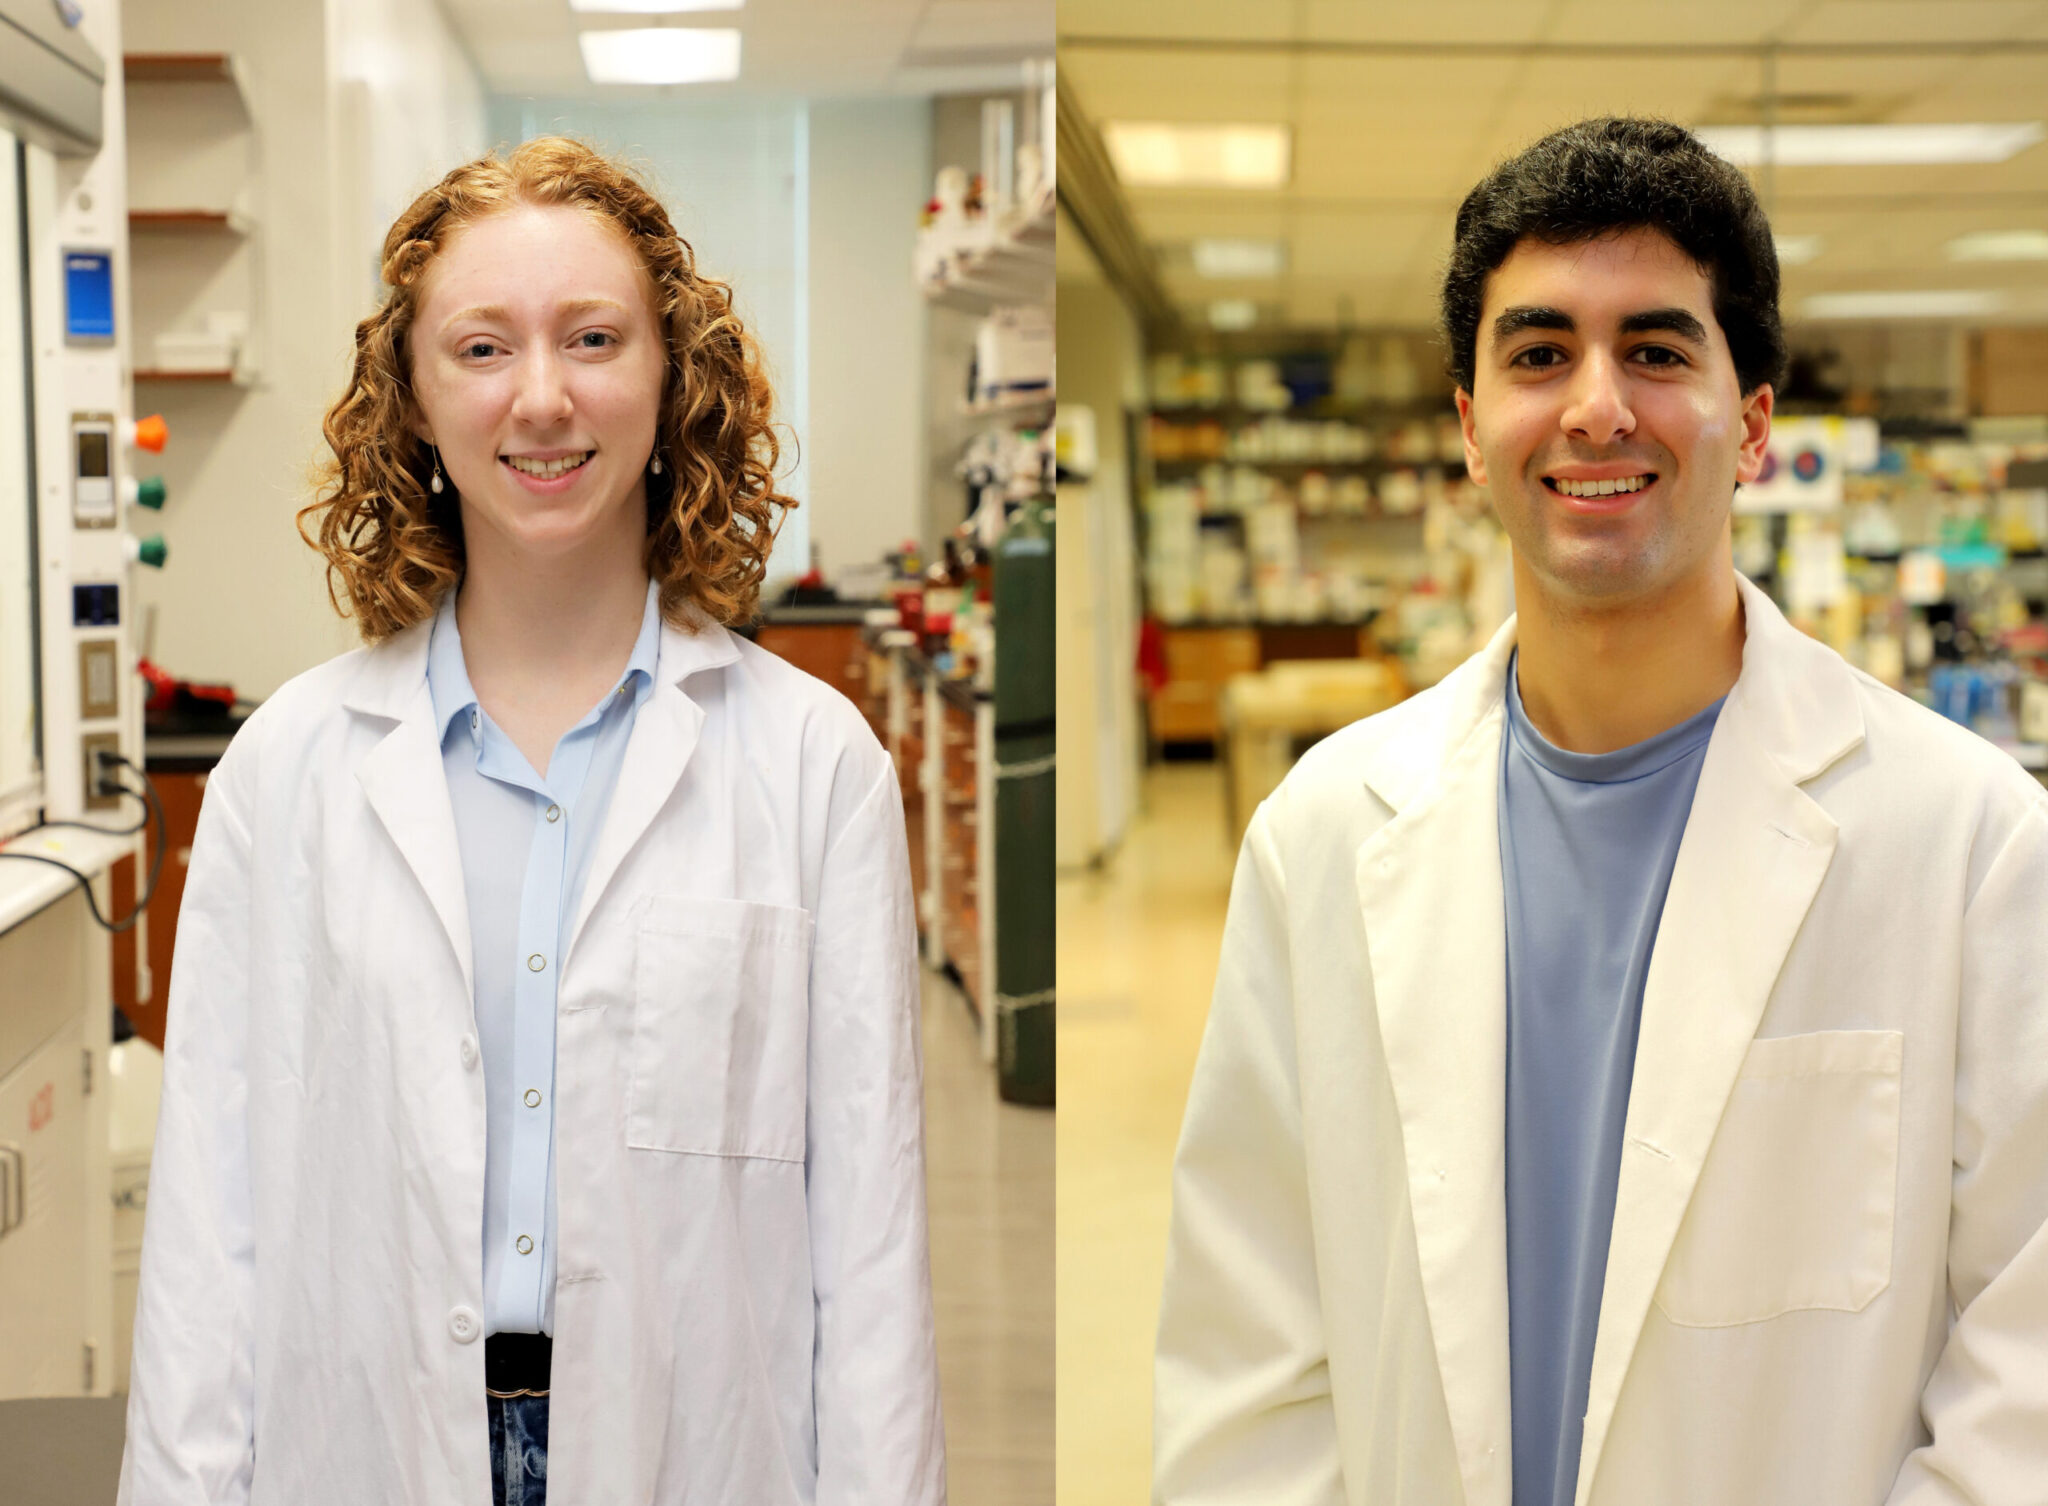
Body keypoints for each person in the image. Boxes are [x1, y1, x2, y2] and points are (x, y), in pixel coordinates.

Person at [1154, 117, 2048, 1506]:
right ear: (1470, 427)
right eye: (1537, 353)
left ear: (1754, 424)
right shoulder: (1320, 836)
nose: (1595, 407)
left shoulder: (1969, 840)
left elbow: (2025, 1368)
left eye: (1657, 350)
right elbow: (1247, 1359)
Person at [118, 137, 945, 1506]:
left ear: (674, 378)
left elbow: (869, 1247)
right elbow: (209, 1224)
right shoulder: (288, 770)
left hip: (699, 1453)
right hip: (370, 1443)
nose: (544, 397)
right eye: (483, 347)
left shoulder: (815, 766)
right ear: (414, 398)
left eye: (595, 338)